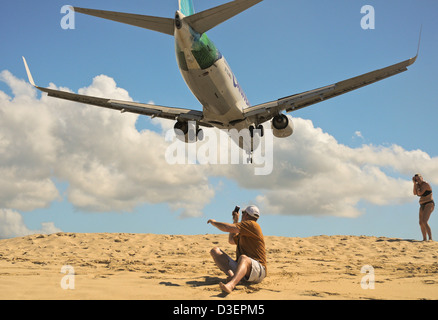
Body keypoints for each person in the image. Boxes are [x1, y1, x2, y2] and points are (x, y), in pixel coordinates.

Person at [207, 205, 267, 294]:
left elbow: (227, 228)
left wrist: (214, 223)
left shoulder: (252, 225)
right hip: (244, 270)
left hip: (258, 271)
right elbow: (231, 240)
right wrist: (235, 220)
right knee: (215, 251)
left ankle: (231, 284)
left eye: (243, 213)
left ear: (246, 215)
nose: (242, 215)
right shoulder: (245, 230)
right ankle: (233, 276)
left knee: (243, 258)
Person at [413, 174, 434, 241]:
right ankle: (424, 239)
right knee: (421, 222)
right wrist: (414, 184)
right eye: (416, 179)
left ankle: (430, 238)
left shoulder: (425, 184)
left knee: (424, 221)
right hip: (422, 205)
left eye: (419, 178)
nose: (418, 180)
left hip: (429, 204)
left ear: (422, 178)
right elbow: (414, 193)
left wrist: (417, 186)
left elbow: (419, 193)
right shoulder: (417, 185)